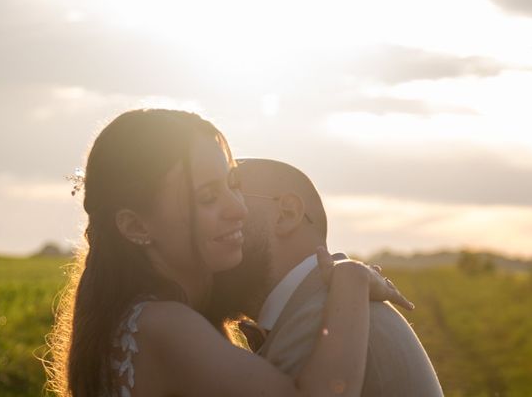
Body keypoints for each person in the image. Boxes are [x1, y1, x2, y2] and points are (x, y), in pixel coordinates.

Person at [45, 108, 409, 397]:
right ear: (136, 226)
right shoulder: (164, 326)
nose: (238, 209)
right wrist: (350, 279)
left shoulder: (132, 321)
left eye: (233, 186)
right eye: (207, 198)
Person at [209, 158, 445, 397]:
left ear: (287, 214)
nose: (214, 220)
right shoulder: (323, 305)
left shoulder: (315, 320)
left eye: (235, 194)